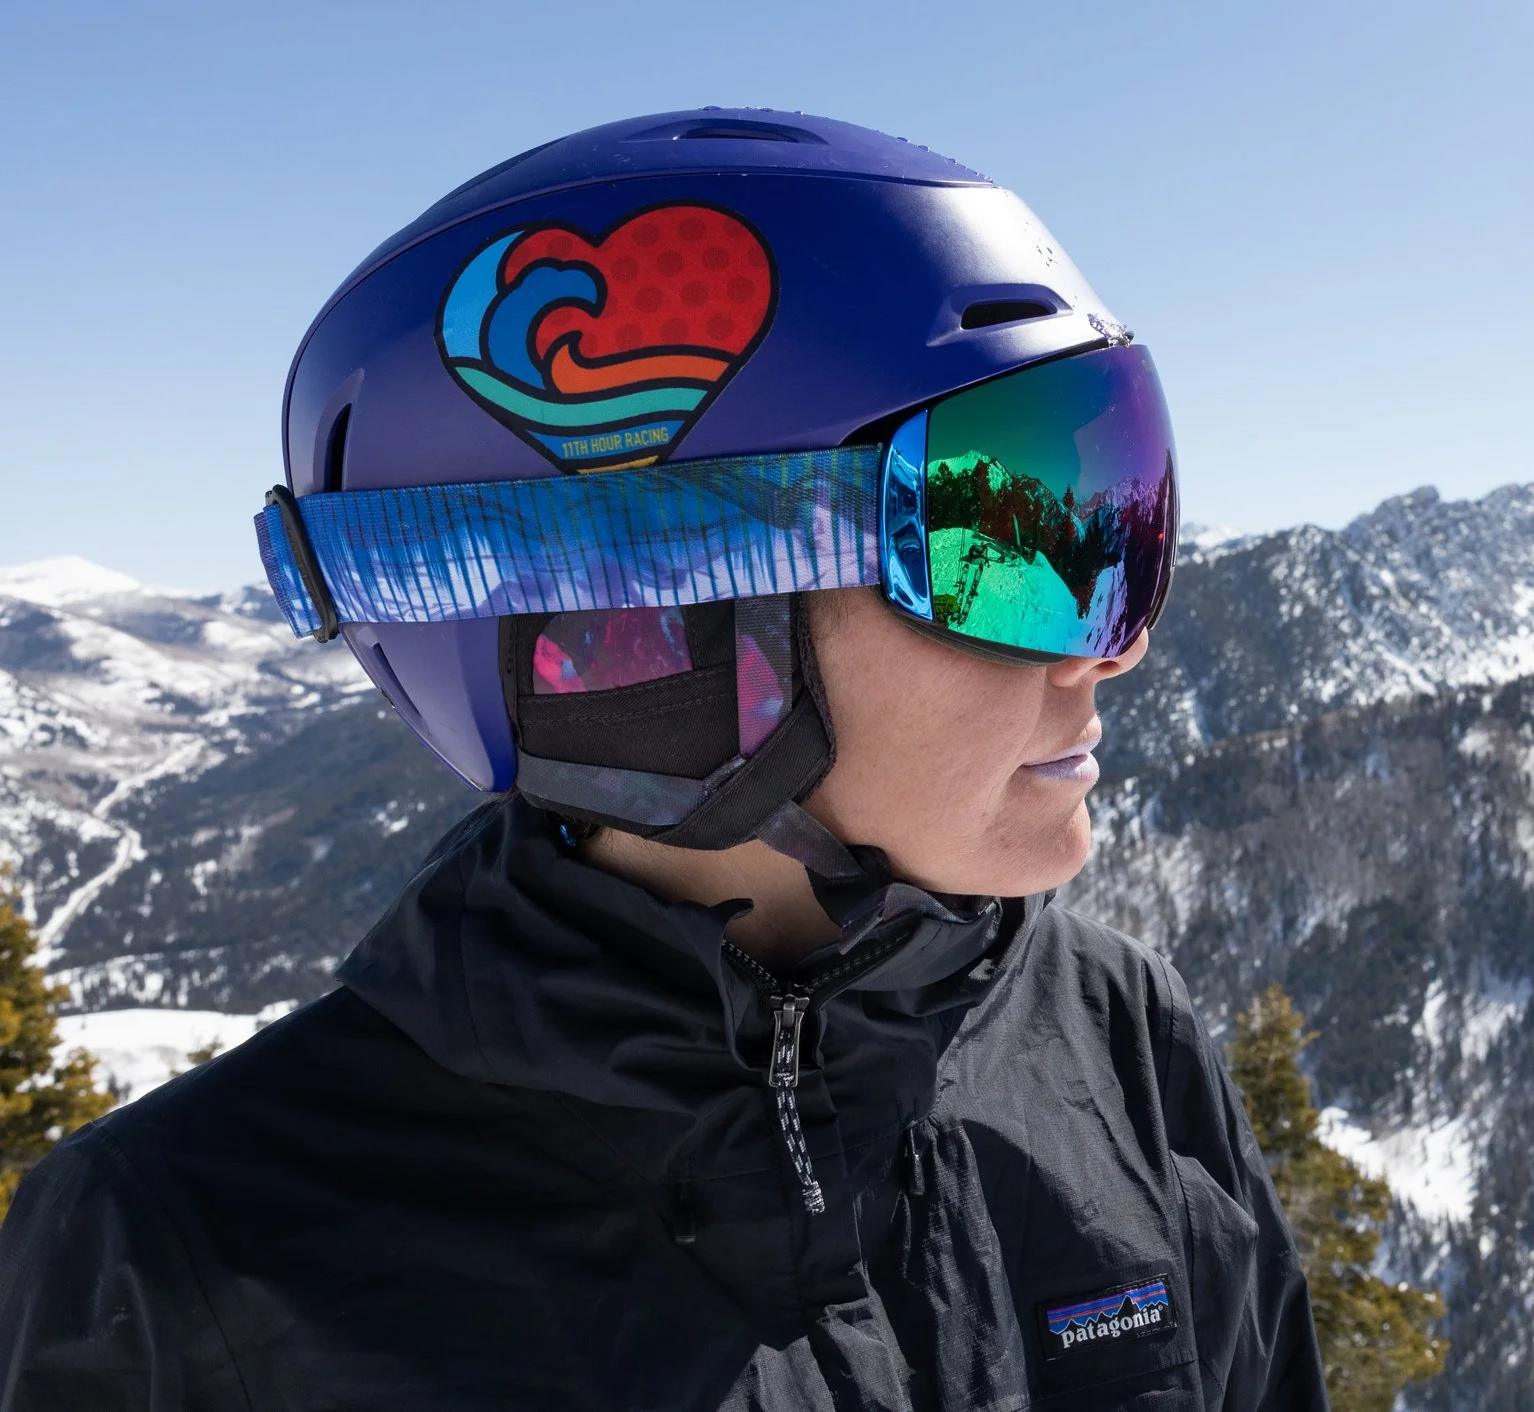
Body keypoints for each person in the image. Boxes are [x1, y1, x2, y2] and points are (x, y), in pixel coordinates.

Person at [0, 111, 1325, 1410]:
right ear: (654, 627)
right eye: (997, 540)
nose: (1108, 648)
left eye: (1106, 511)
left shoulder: (1116, 1034)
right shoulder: (174, 1255)